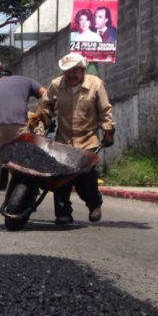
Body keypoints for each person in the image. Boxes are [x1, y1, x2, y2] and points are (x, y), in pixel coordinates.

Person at [34, 53, 114, 224]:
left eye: (74, 71)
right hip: (64, 141)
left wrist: (108, 131)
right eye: (67, 72)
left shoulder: (96, 85)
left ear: (83, 70)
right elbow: (45, 103)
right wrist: (45, 117)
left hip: (88, 140)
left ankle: (94, 205)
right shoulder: (56, 85)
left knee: (86, 174)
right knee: (60, 175)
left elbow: (105, 111)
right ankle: (63, 212)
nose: (70, 75)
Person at [0, 72, 46, 214]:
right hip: (19, 125)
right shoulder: (26, 80)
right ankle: (13, 201)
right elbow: (46, 93)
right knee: (18, 164)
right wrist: (38, 113)